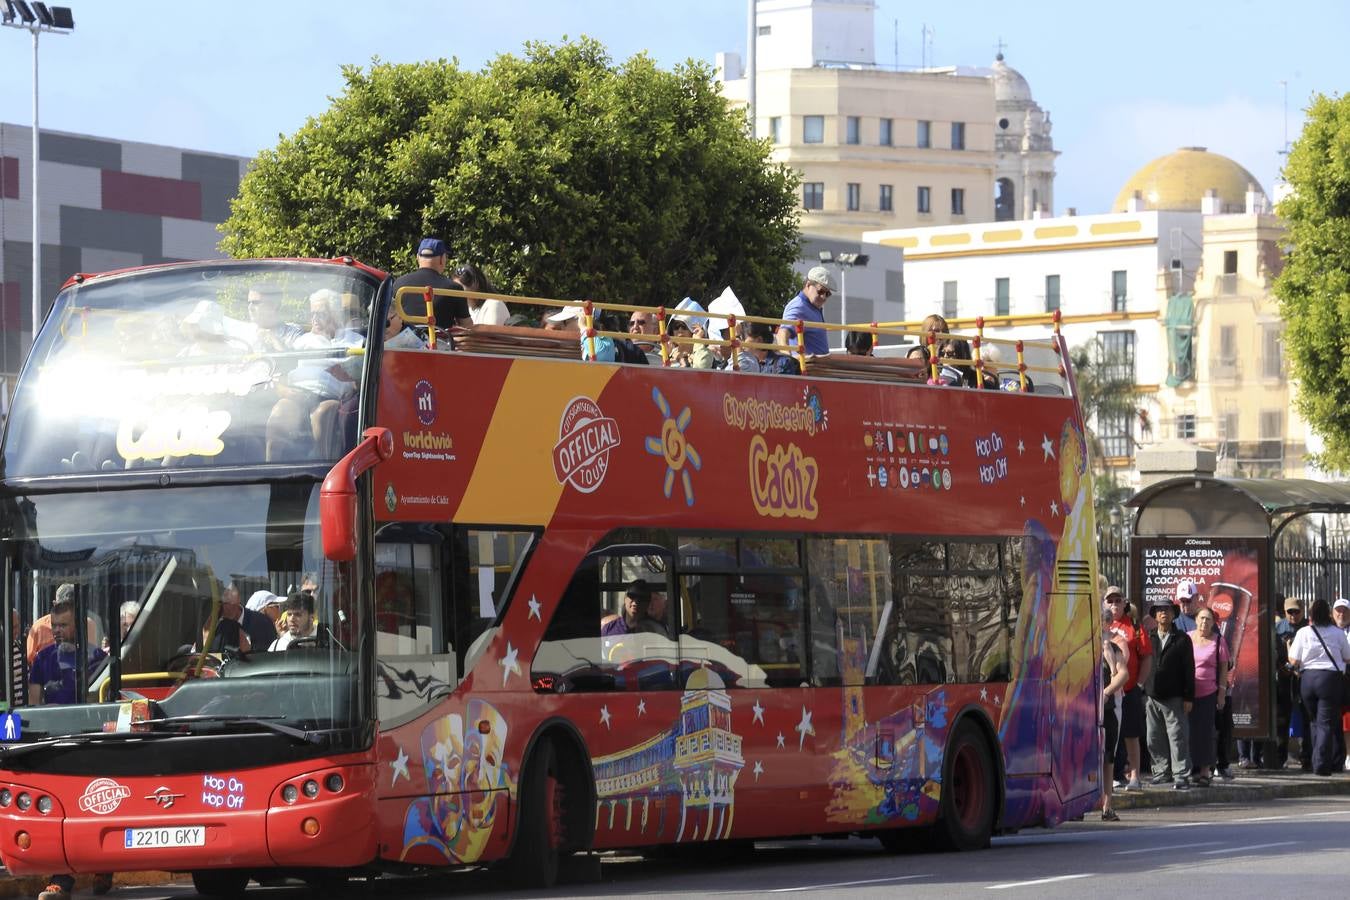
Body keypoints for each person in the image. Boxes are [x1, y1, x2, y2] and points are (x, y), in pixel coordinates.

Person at [30, 599, 112, 900]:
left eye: (64, 626)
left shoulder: (96, 659)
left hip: (89, 742)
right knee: (60, 816)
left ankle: (105, 868)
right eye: (55, 627)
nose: (58, 632)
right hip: (56, 744)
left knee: (99, 805)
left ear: (77, 627)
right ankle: (60, 879)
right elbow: (35, 704)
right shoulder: (42, 659)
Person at [1287, 598, 1350, 776]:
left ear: (1311, 614)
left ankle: (1316, 760)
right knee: (1325, 724)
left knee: (1314, 722)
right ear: (1328, 614)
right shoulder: (1337, 633)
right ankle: (1321, 765)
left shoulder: (1304, 632)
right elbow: (1347, 657)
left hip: (1307, 680)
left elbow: (1294, 660)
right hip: (1329, 679)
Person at [1144, 597, 1195, 790]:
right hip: (1151, 696)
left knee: (1177, 737)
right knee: (1153, 737)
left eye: (1167, 609)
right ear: (1155, 615)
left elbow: (1189, 670)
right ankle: (1160, 772)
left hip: (1174, 697)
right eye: (1159, 610)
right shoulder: (1149, 636)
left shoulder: (1182, 638)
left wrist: (1189, 697)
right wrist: (1144, 691)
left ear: (1173, 614)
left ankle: (1181, 774)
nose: (1163, 613)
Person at [1104, 587, 1150, 791]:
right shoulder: (1101, 624)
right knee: (1108, 736)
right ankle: (1109, 779)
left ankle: (1134, 777)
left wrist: (1139, 684)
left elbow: (1147, 657)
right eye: (1110, 600)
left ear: (1125, 603)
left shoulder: (1135, 627)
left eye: (1118, 600)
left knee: (1131, 734)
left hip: (1129, 688)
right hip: (1107, 693)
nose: (1114, 604)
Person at [390, 238, 472, 331]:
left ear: (417, 258)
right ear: (442, 259)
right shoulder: (453, 288)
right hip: (439, 343)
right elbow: (467, 326)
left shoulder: (399, 283)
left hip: (405, 343)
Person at [1187, 607, 1229, 786]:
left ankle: (1205, 771)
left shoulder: (1218, 641)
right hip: (1188, 694)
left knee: (1206, 733)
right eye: (1202, 618)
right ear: (1196, 619)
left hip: (1209, 693)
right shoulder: (1187, 638)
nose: (1205, 622)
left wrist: (1221, 694)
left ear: (1213, 623)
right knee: (1189, 732)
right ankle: (1192, 769)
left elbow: (1223, 669)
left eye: (1208, 619)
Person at [1100, 603, 1130, 821]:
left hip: (1106, 708)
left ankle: (1107, 806)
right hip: (1081, 709)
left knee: (1108, 756)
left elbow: (1123, 675)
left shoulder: (1113, 648)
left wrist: (1107, 692)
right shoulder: (1080, 646)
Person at [26, 583, 99, 666]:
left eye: (71, 609)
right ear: (54, 604)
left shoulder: (88, 624)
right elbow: (28, 661)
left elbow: (93, 659)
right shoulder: (39, 628)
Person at [774, 266, 832, 357]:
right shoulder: (798, 306)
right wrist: (788, 361)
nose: (823, 297)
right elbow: (782, 334)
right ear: (808, 285)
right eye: (820, 291)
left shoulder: (812, 306)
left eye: (827, 294)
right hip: (807, 367)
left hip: (818, 366)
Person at [245, 284, 304, 352]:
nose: (250, 307)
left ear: (273, 306)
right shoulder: (244, 332)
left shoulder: (292, 333)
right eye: (249, 303)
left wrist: (274, 340)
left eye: (256, 303)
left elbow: (292, 361)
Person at [601, 581, 667, 637]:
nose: (635, 603)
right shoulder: (610, 628)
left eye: (641, 599)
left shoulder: (655, 630)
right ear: (625, 599)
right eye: (632, 597)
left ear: (647, 603)